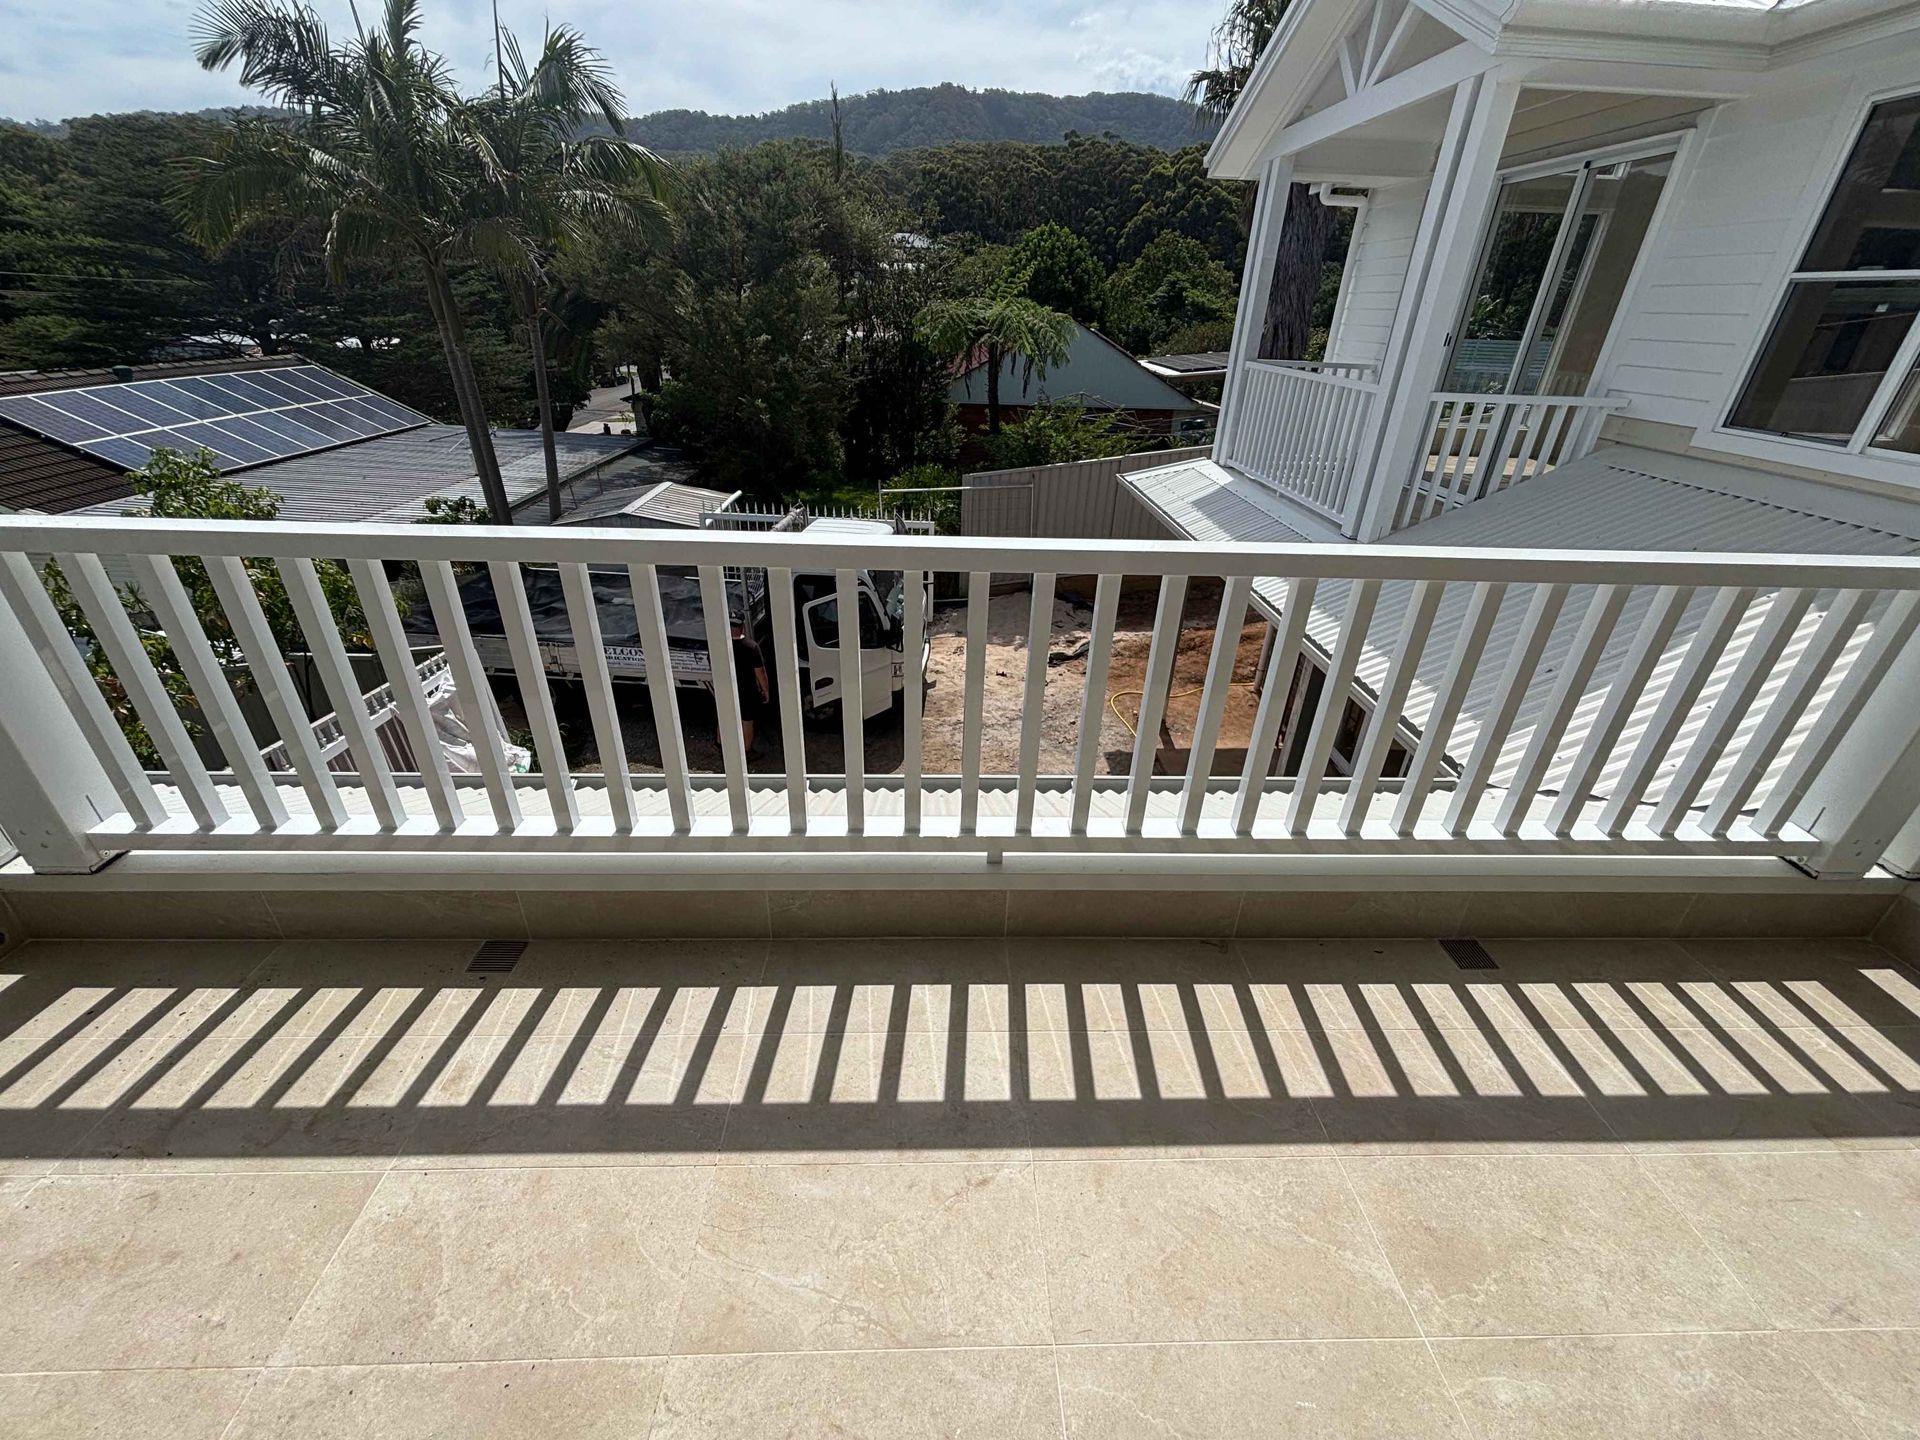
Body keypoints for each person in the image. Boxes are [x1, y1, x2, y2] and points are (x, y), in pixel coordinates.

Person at [732, 631, 771, 760]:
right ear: (742, 626)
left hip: (726, 687)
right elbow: (760, 671)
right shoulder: (751, 646)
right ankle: (746, 750)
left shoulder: (720, 645)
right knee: (747, 720)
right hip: (747, 689)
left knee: (724, 716)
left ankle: (719, 744)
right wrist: (766, 691)